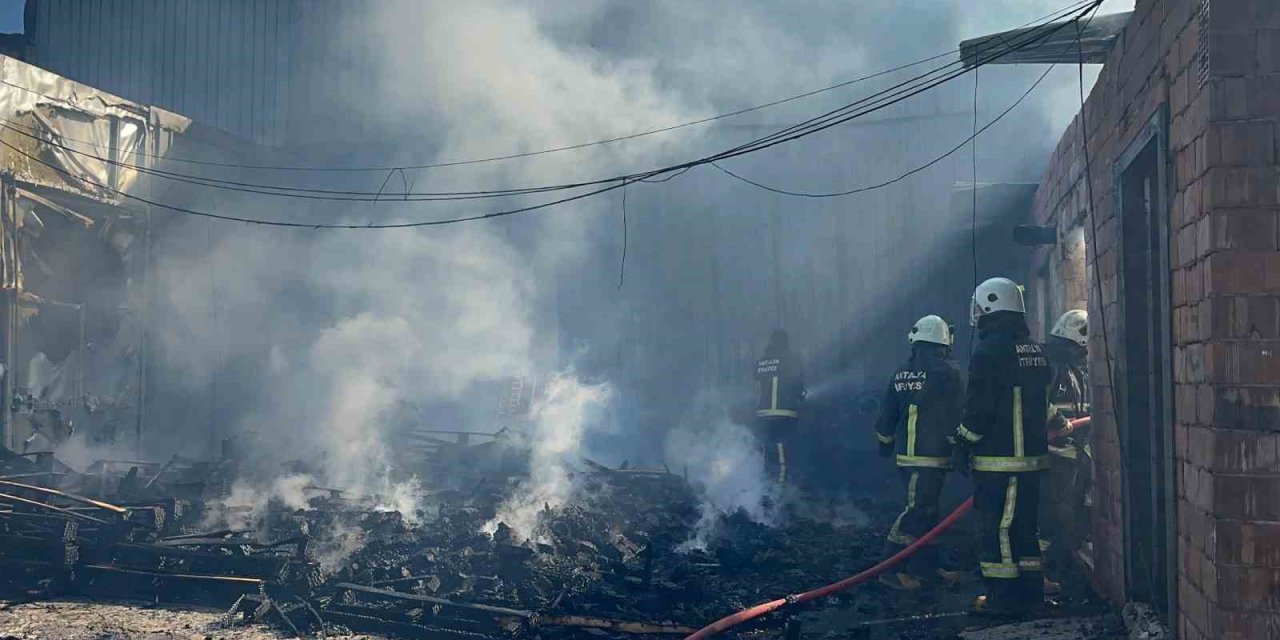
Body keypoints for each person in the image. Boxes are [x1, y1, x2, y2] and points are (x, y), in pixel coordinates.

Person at [952, 277, 1052, 616]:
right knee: (1024, 528)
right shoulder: (1035, 349)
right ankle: (1030, 592)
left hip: (1000, 460)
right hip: (1031, 460)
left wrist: (963, 442)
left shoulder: (990, 350)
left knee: (998, 529)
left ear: (991, 306)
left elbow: (979, 407)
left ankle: (1003, 598)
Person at [874, 315, 965, 590]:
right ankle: (890, 569)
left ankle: (928, 568)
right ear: (943, 344)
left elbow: (887, 415)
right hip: (932, 455)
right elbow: (959, 413)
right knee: (915, 511)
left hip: (908, 455)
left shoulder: (901, 372)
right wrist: (962, 447)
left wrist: (885, 442)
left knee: (928, 512)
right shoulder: (948, 373)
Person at [1040, 310, 1091, 586]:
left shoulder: (1074, 369)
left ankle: (1061, 564)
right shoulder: (1050, 365)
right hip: (1054, 453)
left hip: (1072, 451)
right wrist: (1059, 422)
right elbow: (1037, 398)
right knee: (1054, 514)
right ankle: (1045, 571)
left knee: (1070, 510)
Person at [754, 329, 805, 486]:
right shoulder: (792, 360)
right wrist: (801, 396)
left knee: (766, 447)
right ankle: (783, 484)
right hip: (786, 412)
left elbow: (757, 387)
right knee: (784, 447)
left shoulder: (761, 362)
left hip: (763, 414)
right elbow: (798, 386)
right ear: (785, 342)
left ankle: (764, 484)